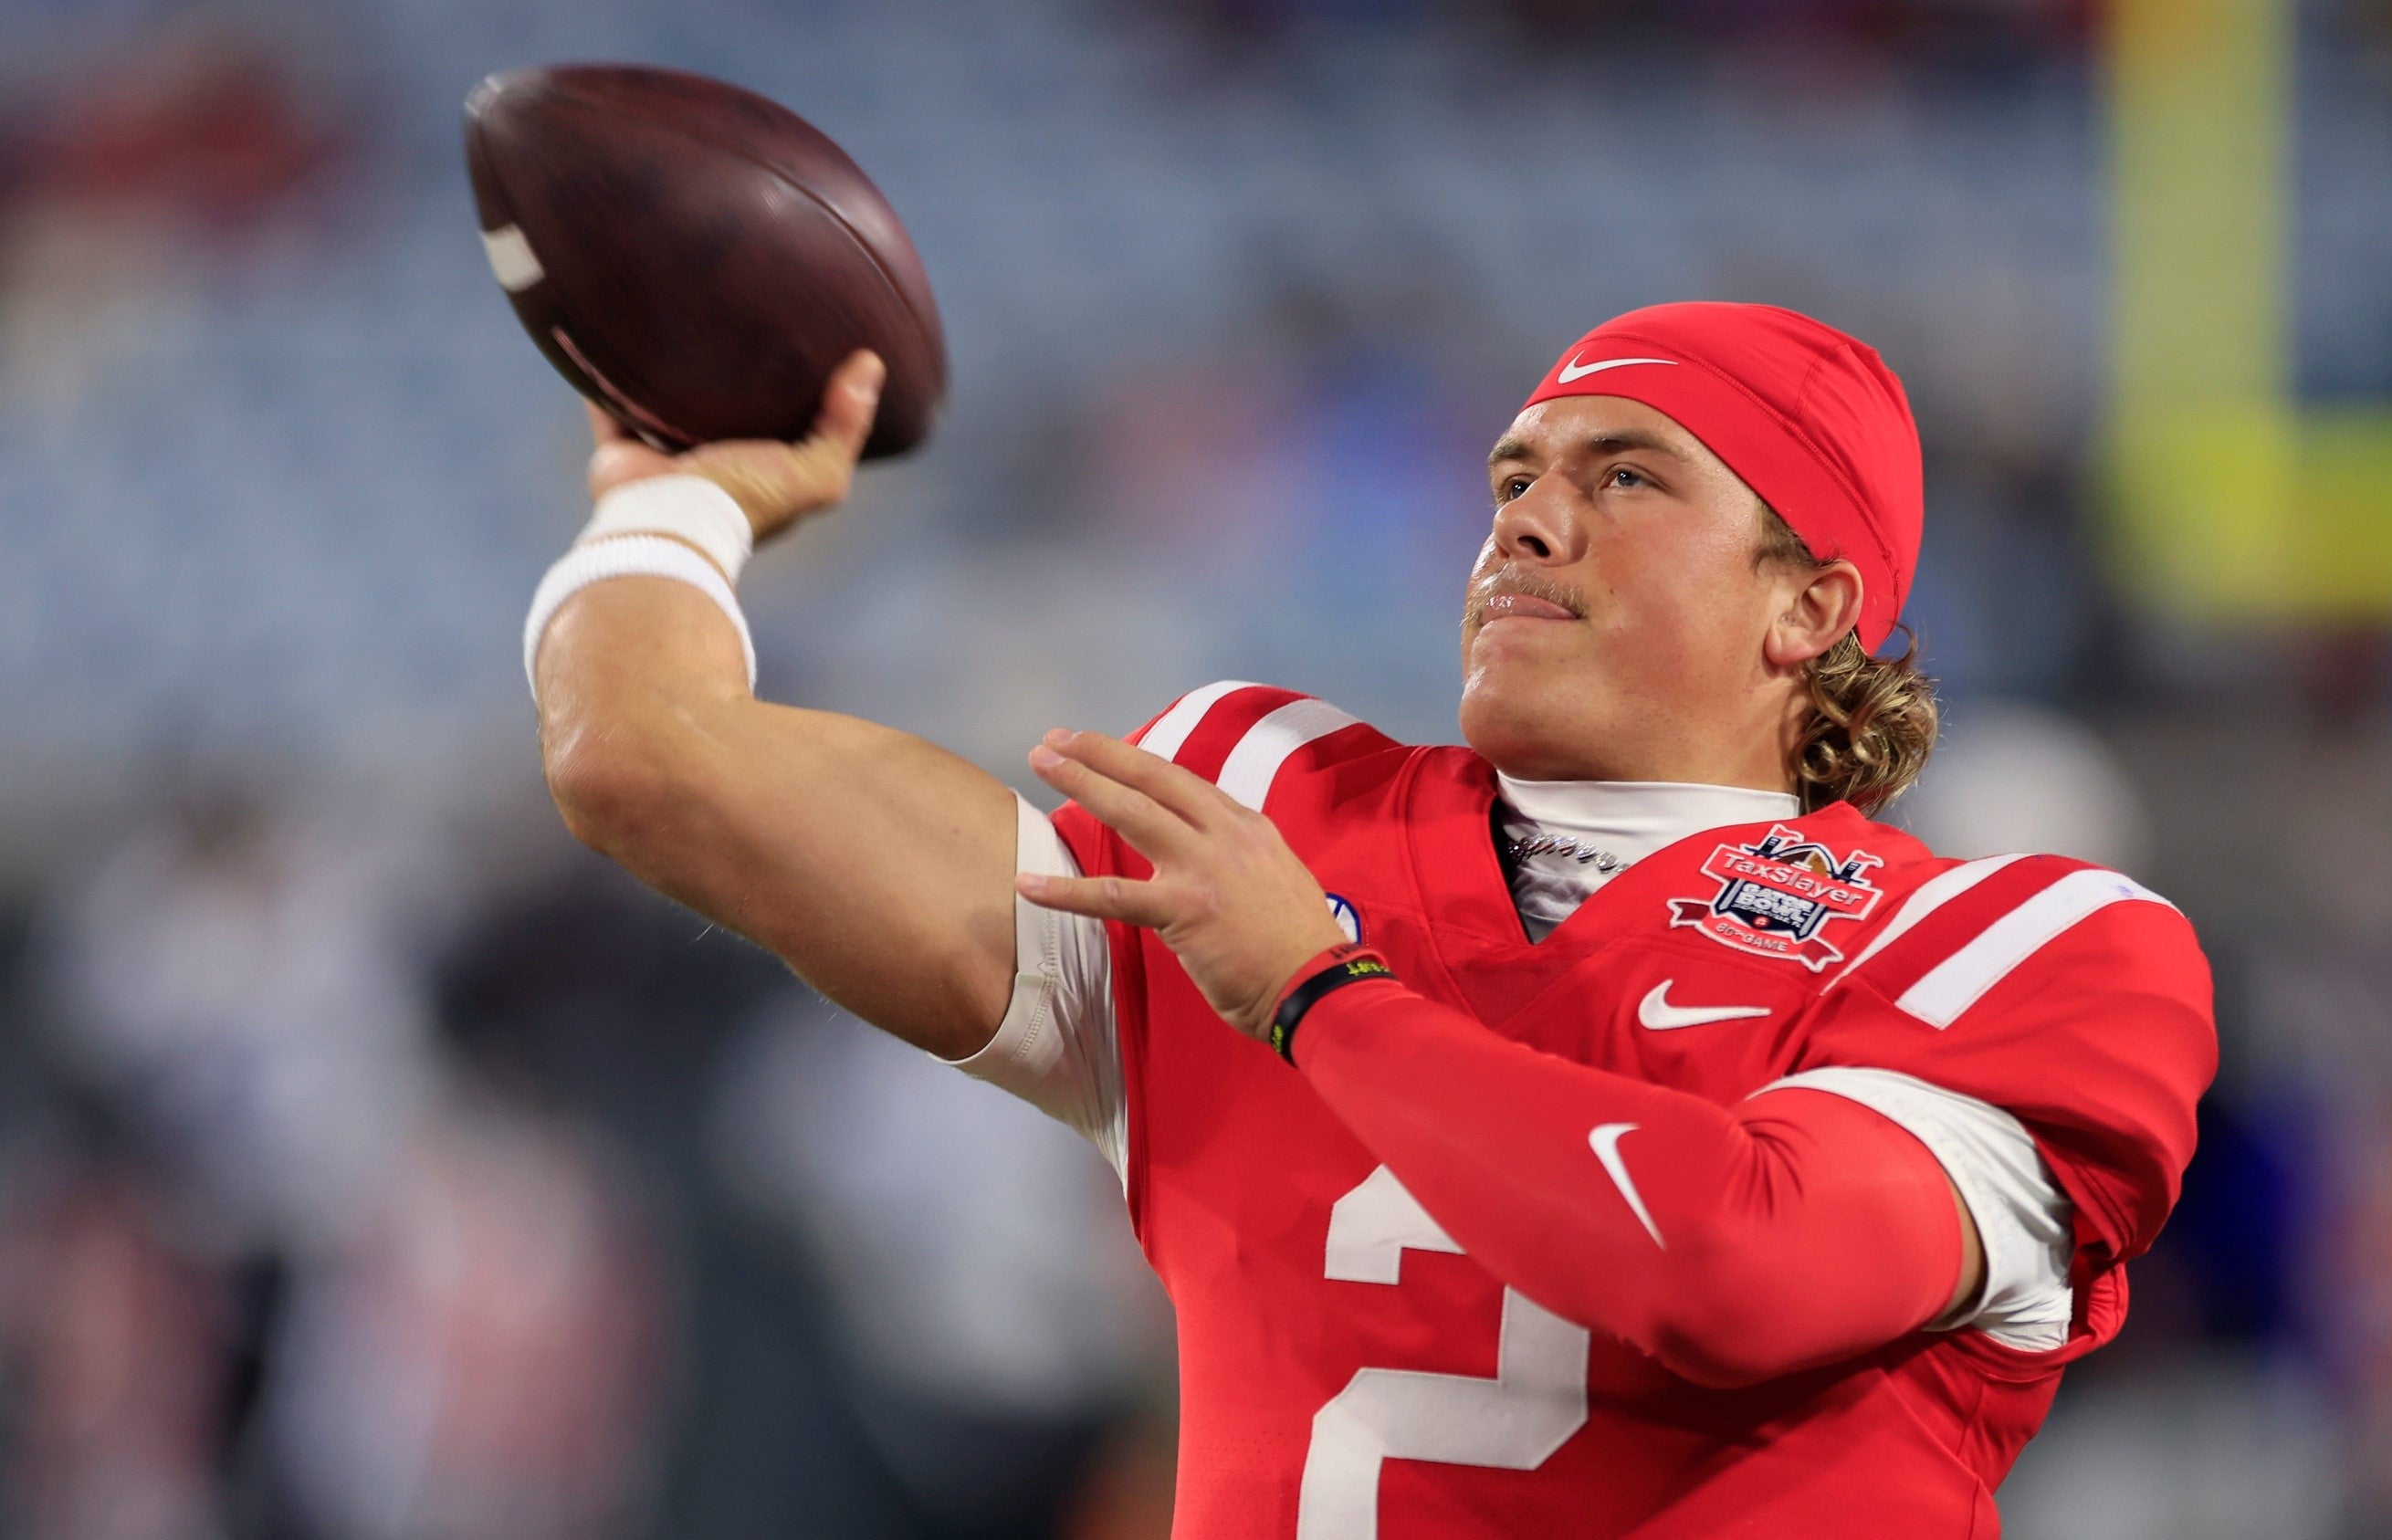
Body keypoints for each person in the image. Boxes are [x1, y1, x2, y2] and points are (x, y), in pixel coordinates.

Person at [522, 302, 2218, 1536]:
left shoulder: (2021, 942)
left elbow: (1725, 1266)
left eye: (1628, 477)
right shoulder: (1267, 819)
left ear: (1810, 605)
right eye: (1513, 473)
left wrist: (1321, 996)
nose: (1528, 518)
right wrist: (673, 499)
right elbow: (646, 763)